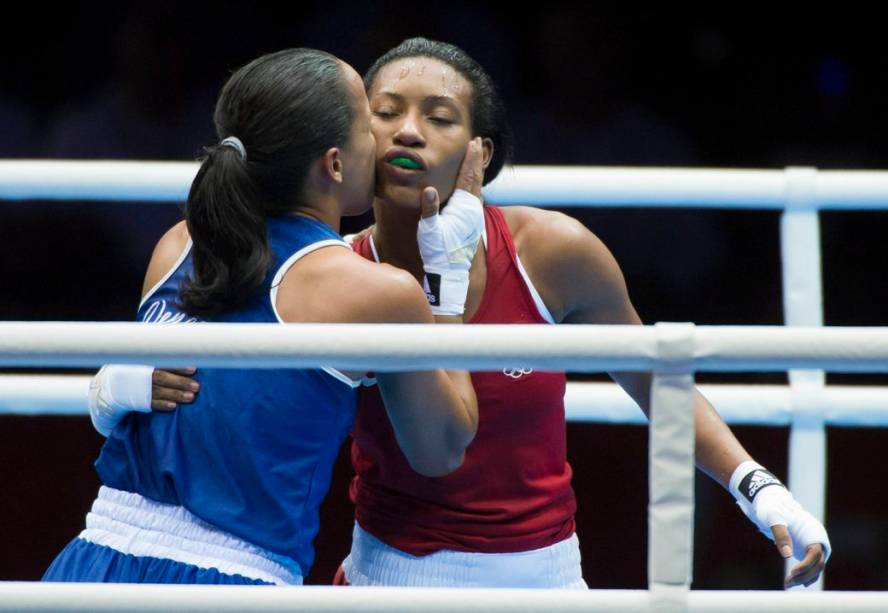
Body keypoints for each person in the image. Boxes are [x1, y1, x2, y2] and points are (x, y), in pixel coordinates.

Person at [100, 38, 831, 589]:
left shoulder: (552, 251)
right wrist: (112, 382)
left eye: (437, 116)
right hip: (386, 571)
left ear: (479, 151)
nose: (407, 131)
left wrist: (758, 485)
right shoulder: (327, 276)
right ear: (346, 147)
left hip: (543, 578)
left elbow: (654, 377)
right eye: (383, 112)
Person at [43, 47, 481, 585]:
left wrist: (105, 392)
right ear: (334, 163)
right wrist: (446, 283)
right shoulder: (375, 292)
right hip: (232, 582)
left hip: (90, 567)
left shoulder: (177, 246)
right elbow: (441, 449)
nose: (387, 140)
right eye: (370, 123)